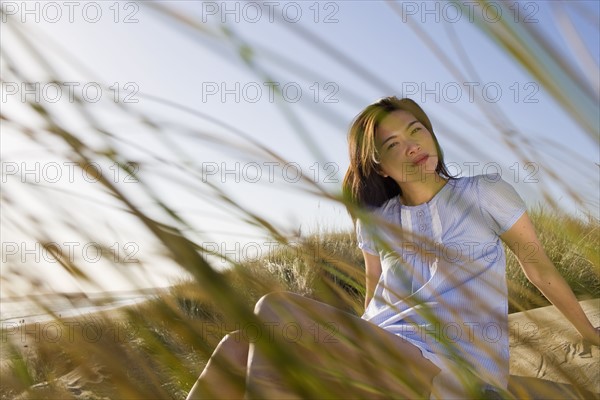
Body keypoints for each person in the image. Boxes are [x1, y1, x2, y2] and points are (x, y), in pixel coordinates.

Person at [186, 97, 599, 399]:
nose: (411, 145)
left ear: (431, 135)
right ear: (380, 166)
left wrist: (588, 333)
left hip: (450, 363)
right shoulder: (377, 221)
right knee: (237, 344)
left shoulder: (484, 192)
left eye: (416, 131)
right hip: (385, 352)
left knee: (274, 310)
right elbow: (373, 297)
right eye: (393, 144)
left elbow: (538, 267)